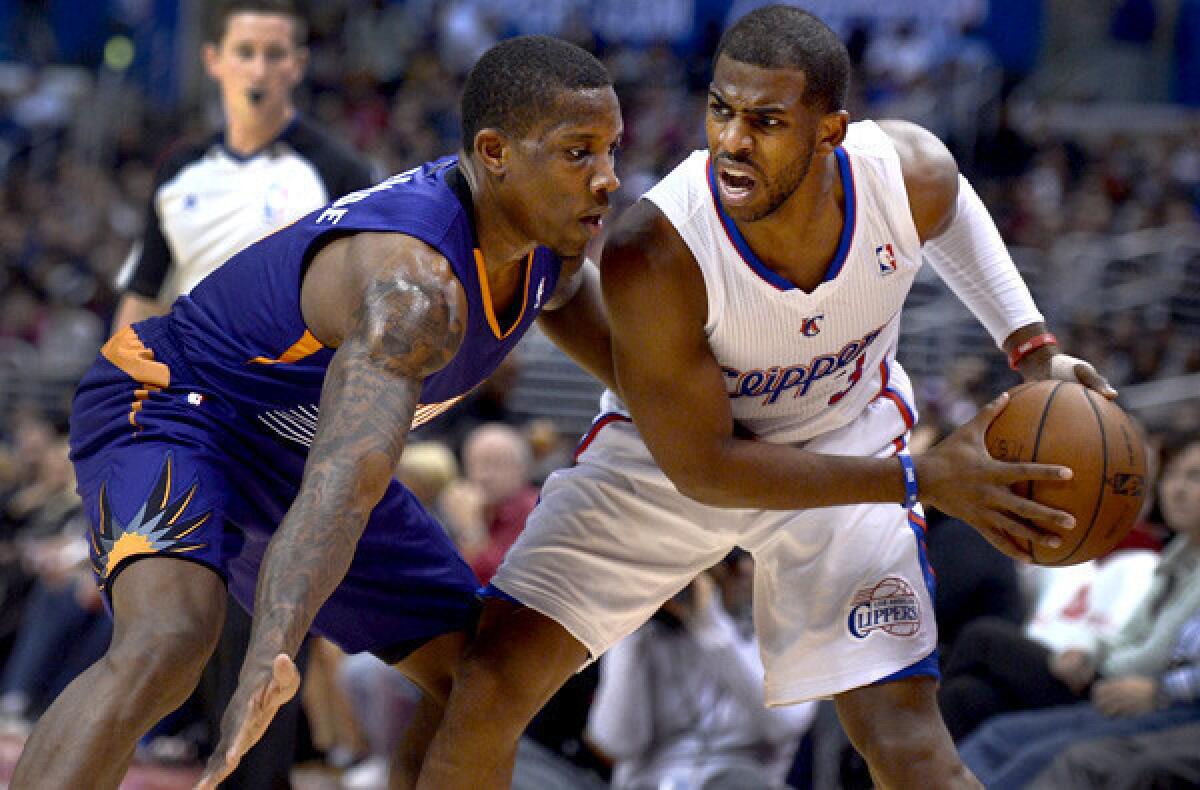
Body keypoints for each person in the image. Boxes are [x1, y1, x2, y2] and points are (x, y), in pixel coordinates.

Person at [417, 7, 1115, 789]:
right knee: (486, 690)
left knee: (910, 745)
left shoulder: (906, 171)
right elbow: (706, 471)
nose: (732, 140)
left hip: (841, 437)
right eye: (721, 108)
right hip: (677, 455)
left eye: (767, 120)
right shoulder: (658, 246)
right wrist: (920, 478)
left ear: (830, 132)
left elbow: (952, 210)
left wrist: (1032, 347)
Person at [11, 34, 622, 790]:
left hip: (299, 450)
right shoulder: (413, 286)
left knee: (487, 682)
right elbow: (342, 485)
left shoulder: (550, 255)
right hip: (178, 400)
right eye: (579, 152)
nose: (607, 179)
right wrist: (269, 662)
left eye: (612, 150)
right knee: (169, 642)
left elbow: (640, 373)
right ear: (495, 151)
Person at [111, 3, 376, 784]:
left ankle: (260, 775)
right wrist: (125, 414)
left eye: (275, 53)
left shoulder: (336, 170)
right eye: (245, 52)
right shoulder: (179, 171)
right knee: (182, 614)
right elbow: (139, 304)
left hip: (287, 419)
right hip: (188, 418)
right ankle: (199, 749)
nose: (260, 67)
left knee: (266, 623)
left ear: (297, 63)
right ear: (214, 60)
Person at [586, 557, 816, 790]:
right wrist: (629, 628)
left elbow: (787, 723)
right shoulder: (650, 637)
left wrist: (710, 624)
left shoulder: (784, 638)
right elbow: (617, 744)